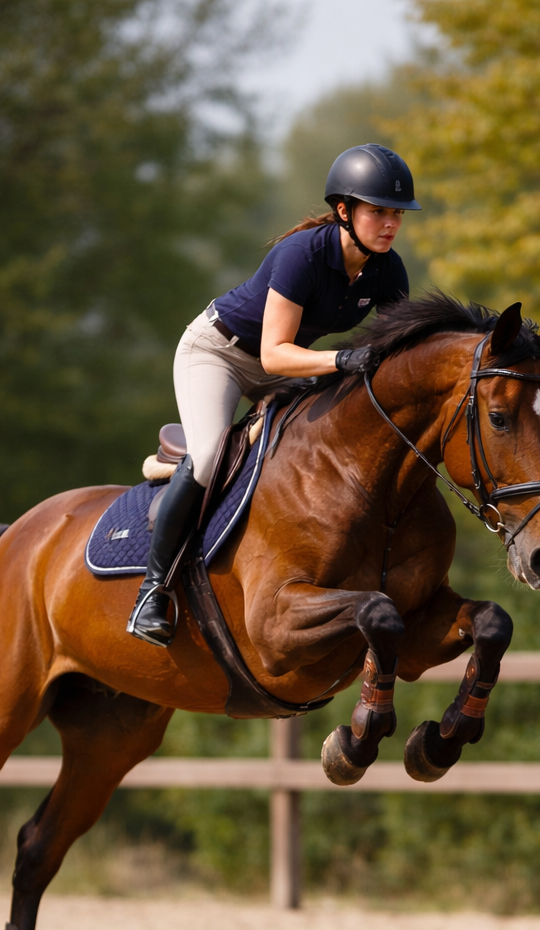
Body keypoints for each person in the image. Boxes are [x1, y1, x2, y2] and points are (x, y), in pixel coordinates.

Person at [127, 143, 420, 646]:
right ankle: (152, 593)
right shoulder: (301, 254)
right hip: (219, 353)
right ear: (344, 211)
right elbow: (273, 354)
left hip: (286, 362)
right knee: (209, 456)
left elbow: (402, 351)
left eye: (397, 214)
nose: (391, 223)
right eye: (378, 212)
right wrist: (341, 360)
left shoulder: (388, 270)